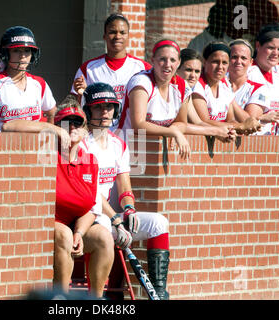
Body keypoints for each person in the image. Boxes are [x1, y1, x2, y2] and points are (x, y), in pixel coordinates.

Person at [79, 82, 171, 300]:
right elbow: (90, 191)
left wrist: (129, 208)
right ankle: (101, 298)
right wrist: (115, 220)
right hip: (88, 215)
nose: (104, 112)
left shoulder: (118, 143)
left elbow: (124, 185)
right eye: (98, 107)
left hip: (110, 217)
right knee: (105, 230)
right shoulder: (81, 143)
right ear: (88, 110)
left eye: (109, 107)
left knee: (159, 222)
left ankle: (158, 293)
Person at [118, 39, 236, 153]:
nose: (167, 65)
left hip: (149, 152)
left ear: (178, 62)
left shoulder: (181, 85)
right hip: (125, 147)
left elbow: (181, 124)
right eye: (162, 59)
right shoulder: (142, 82)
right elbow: (138, 125)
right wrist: (173, 132)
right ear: (152, 60)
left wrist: (219, 131)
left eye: (173, 60)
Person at [53, 96, 114, 299]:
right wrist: (53, 130)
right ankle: (60, 300)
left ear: (85, 128)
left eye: (77, 123)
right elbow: (10, 125)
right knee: (64, 235)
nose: (71, 127)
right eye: (65, 123)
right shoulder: (46, 154)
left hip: (78, 224)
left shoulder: (90, 160)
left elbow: (93, 208)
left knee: (104, 238)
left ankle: (95, 301)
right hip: (50, 224)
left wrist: (79, 232)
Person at [71, 13, 151, 132]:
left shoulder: (143, 68)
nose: (117, 36)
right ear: (104, 35)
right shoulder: (88, 69)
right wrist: (81, 94)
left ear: (128, 36)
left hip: (131, 135)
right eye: (112, 32)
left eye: (122, 32)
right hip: (98, 135)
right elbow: (76, 108)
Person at [0, 26, 61, 134]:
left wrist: (48, 141)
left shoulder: (39, 83)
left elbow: (53, 113)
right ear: (5, 54)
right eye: (16, 50)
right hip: (1, 147)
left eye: (27, 50)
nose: (23, 56)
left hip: (33, 148)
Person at [192, 41, 261, 135]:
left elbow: (231, 119)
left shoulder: (225, 84)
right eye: (215, 62)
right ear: (205, 62)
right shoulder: (198, 85)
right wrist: (241, 126)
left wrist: (245, 128)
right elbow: (204, 121)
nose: (220, 67)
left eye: (224, 63)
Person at [227, 38, 279, 128]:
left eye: (243, 58)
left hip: (248, 141)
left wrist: (229, 99)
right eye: (234, 57)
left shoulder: (258, 88)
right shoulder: (216, 84)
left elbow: (249, 123)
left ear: (250, 62)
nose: (238, 61)